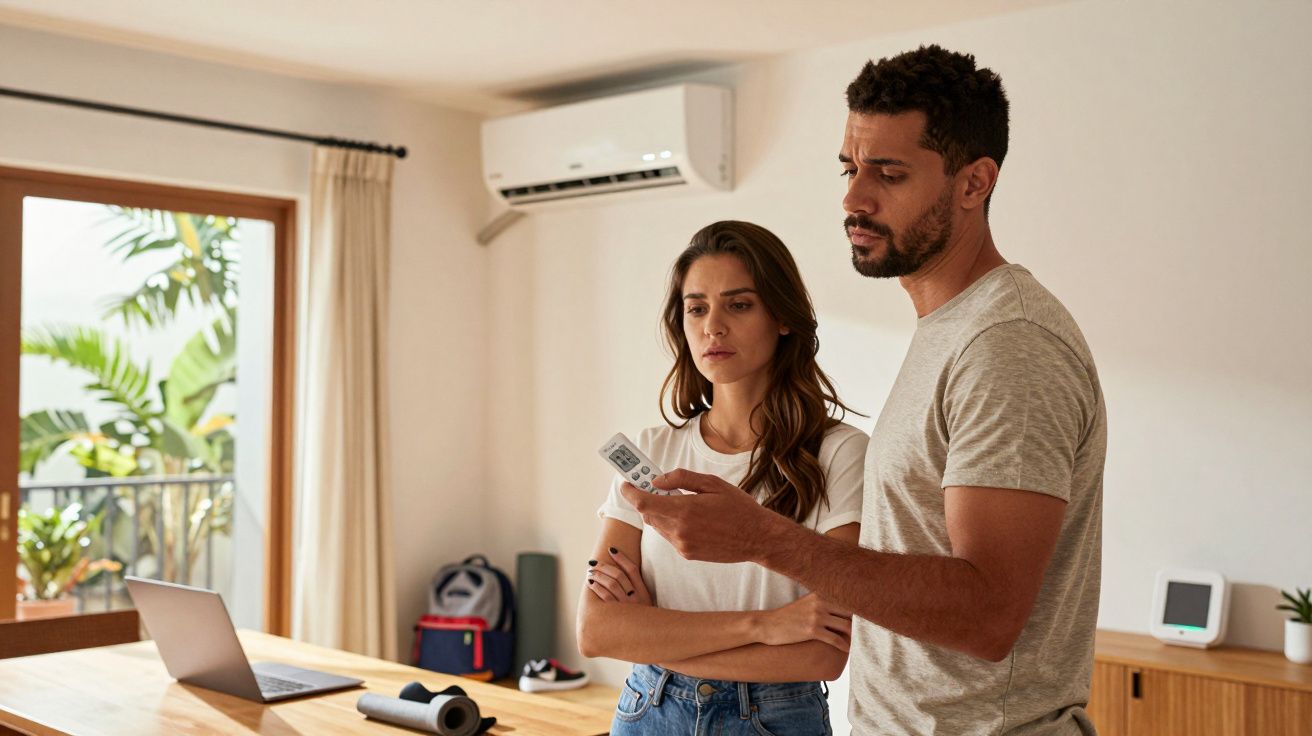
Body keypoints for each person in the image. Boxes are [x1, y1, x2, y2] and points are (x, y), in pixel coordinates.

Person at [621, 45, 1107, 735]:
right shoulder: (951, 331)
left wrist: (765, 539)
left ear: (973, 183)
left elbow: (988, 614)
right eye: (850, 168)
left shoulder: (1009, 344)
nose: (853, 197)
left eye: (889, 173)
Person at [577, 220, 869, 735]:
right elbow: (598, 631)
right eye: (697, 308)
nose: (713, 325)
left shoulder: (839, 454)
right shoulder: (651, 452)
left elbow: (821, 655)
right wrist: (765, 626)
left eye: (738, 304)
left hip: (776, 719)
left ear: (781, 316)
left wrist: (658, 636)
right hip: (648, 713)